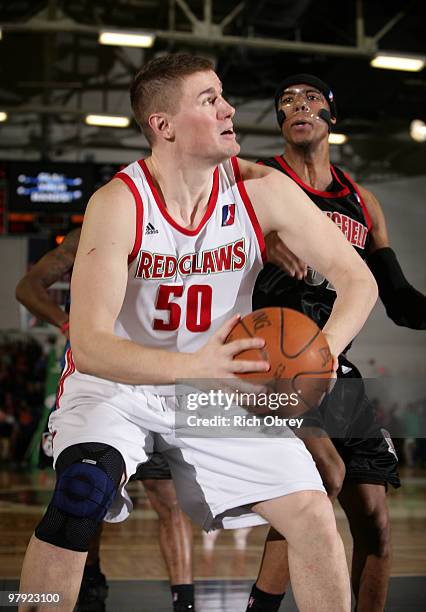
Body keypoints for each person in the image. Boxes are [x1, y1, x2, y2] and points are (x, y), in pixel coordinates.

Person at [18, 54, 378, 612]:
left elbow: (359, 280)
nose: (230, 109)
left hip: (216, 386)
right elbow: (90, 347)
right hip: (120, 386)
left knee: (311, 514)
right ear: (163, 126)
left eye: (224, 96)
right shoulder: (117, 203)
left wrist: (320, 355)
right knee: (80, 493)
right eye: (209, 100)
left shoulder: (263, 194)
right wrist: (203, 366)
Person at [247, 73, 426, 612]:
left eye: (311, 99)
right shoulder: (257, 183)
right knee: (323, 475)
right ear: (280, 121)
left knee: (375, 522)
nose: (297, 105)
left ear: (331, 116)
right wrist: (263, 237)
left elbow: (397, 299)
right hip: (269, 363)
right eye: (286, 100)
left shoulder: (362, 202)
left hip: (333, 365)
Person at [16, 231, 194, 612]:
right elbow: (27, 287)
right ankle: (89, 583)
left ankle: (186, 601)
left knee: (169, 500)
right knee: (86, 490)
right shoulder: (93, 234)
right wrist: (66, 323)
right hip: (100, 380)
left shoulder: (190, 233)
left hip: (159, 379)